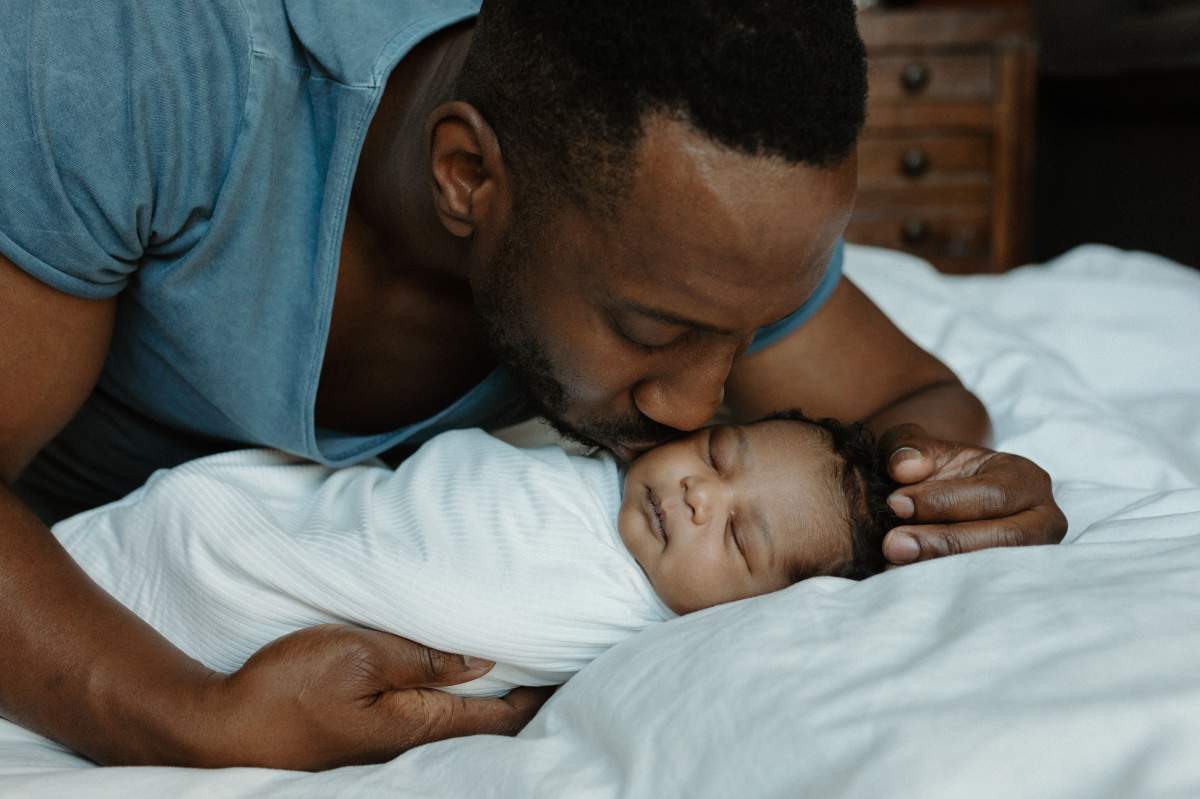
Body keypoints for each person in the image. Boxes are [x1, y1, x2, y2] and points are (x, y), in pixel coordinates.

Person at [0, 0, 1066, 770]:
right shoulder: (147, 62)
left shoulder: (702, 220)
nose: (695, 411)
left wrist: (947, 500)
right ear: (468, 175)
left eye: (744, 342)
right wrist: (196, 719)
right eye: (654, 331)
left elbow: (914, 404)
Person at [51, 413, 898, 704]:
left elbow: (452, 603)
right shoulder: (588, 462)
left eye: (739, 538)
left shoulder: (622, 617)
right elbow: (429, 495)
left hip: (228, 615)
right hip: (217, 521)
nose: (697, 496)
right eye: (715, 453)